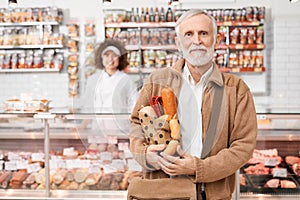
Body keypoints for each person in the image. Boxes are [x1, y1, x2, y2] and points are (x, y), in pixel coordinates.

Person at [129, 9, 257, 200]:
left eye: (203, 33)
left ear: (217, 40)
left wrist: (199, 168)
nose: (196, 41)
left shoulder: (236, 89)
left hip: (211, 194)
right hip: (162, 191)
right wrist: (145, 154)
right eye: (188, 34)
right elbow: (136, 124)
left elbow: (243, 146)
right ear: (178, 43)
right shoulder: (157, 80)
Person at [79, 39, 139, 134]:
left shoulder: (126, 80)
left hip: (121, 130)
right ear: (101, 57)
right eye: (106, 55)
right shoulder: (93, 80)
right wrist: (81, 127)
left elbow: (135, 105)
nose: (110, 59)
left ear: (120, 59)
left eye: (114, 56)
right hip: (98, 130)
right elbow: (89, 107)